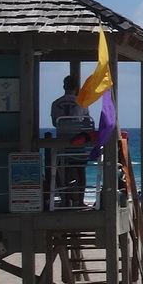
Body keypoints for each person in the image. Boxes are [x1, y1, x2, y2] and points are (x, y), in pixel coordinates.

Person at [50, 75, 93, 208]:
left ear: (64, 86)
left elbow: (54, 123)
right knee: (80, 171)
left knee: (64, 170)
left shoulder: (55, 103)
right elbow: (87, 123)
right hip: (78, 143)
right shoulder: (82, 102)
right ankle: (80, 200)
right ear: (76, 88)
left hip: (62, 144)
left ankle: (66, 199)